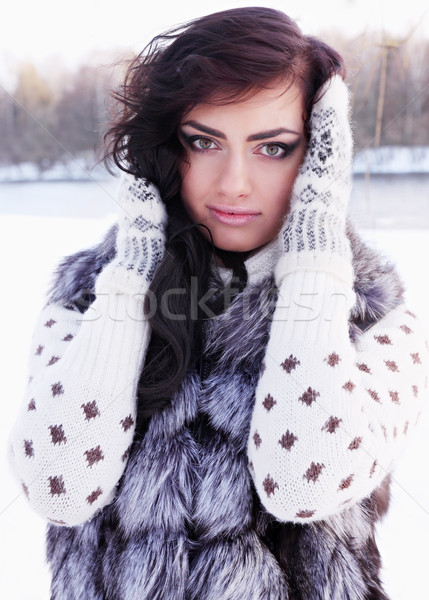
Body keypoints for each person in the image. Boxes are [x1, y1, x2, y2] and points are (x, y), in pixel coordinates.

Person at [7, 7, 428, 599]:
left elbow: (303, 484)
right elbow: (59, 485)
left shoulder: (376, 316)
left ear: (320, 158)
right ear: (166, 147)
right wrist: (130, 277)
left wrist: (314, 257)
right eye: (204, 142)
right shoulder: (87, 298)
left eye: (273, 148)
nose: (234, 182)